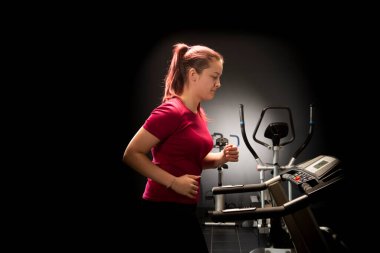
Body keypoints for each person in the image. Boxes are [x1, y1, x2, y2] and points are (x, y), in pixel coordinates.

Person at [123, 43, 239, 252]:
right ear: (193, 74)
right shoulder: (170, 111)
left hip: (183, 208)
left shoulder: (196, 113)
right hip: (162, 209)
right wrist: (173, 182)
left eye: (219, 77)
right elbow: (131, 154)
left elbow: (193, 160)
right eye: (214, 76)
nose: (218, 83)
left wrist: (221, 157)